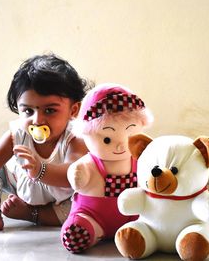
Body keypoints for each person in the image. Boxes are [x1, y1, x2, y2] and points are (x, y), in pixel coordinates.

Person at [0, 53, 92, 233]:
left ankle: (32, 214)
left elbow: (71, 174)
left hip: (61, 196)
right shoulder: (17, 135)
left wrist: (40, 170)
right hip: (23, 183)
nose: (38, 120)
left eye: (50, 110)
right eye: (28, 111)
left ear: (73, 110)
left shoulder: (75, 139)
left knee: (80, 209)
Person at [60, 83, 153, 253]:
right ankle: (85, 230)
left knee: (153, 222)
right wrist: (78, 175)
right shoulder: (89, 164)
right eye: (107, 139)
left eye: (130, 135)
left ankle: (138, 233)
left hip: (136, 215)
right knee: (78, 231)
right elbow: (78, 175)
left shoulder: (140, 159)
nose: (121, 145)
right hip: (95, 216)